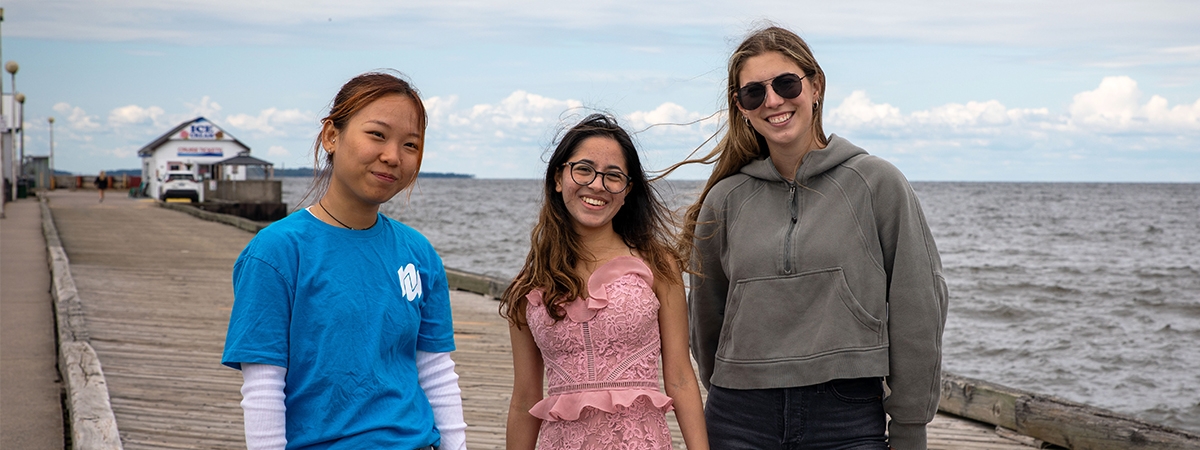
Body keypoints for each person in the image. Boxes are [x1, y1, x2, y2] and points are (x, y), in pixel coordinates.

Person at [677, 25, 948, 450]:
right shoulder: (725, 200)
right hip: (738, 417)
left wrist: (911, 427)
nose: (773, 101)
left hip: (846, 416)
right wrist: (730, 383)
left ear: (815, 85)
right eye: (754, 93)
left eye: (786, 83)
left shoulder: (877, 183)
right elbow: (705, 317)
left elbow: (919, 308)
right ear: (741, 107)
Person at [221, 71, 467, 450]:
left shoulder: (418, 253)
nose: (392, 156)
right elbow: (263, 386)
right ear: (332, 136)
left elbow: (435, 370)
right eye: (377, 135)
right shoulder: (277, 252)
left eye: (411, 145)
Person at [500, 114, 709, 450]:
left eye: (613, 176)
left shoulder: (659, 265)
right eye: (583, 169)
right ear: (558, 177)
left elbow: (681, 378)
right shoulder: (529, 285)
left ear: (627, 191)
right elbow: (524, 397)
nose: (597, 185)